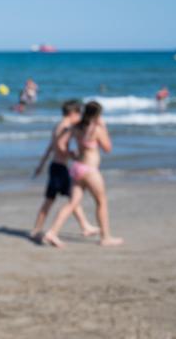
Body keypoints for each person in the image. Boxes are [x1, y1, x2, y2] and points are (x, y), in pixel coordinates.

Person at [43, 101, 123, 248]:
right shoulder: (96, 129)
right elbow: (108, 148)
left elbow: (60, 143)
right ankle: (105, 237)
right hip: (90, 170)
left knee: (72, 203)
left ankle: (52, 232)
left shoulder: (76, 127)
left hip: (77, 167)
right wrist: (104, 127)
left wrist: (70, 154)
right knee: (101, 202)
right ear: (98, 115)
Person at [31, 100, 98, 240]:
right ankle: (37, 229)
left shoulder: (58, 125)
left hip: (56, 167)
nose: (80, 117)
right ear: (72, 113)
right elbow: (60, 145)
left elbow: (50, 147)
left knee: (69, 199)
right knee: (57, 200)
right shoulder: (66, 126)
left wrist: (41, 165)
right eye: (79, 113)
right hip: (59, 169)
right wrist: (72, 155)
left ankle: (85, 226)